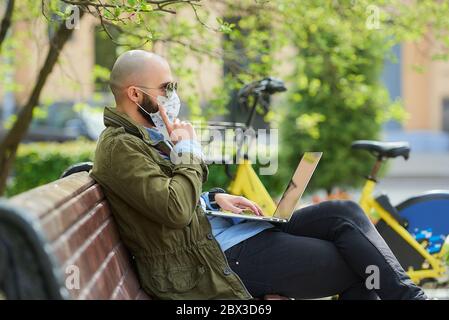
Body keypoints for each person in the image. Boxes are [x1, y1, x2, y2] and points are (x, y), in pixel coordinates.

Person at [90, 49, 427, 300]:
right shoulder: (119, 147)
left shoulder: (146, 136)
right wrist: (189, 151)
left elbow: (169, 198)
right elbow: (174, 209)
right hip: (208, 261)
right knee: (355, 263)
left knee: (345, 212)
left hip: (222, 237)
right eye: (166, 88)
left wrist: (212, 198)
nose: (173, 95)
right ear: (135, 94)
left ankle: (413, 298)